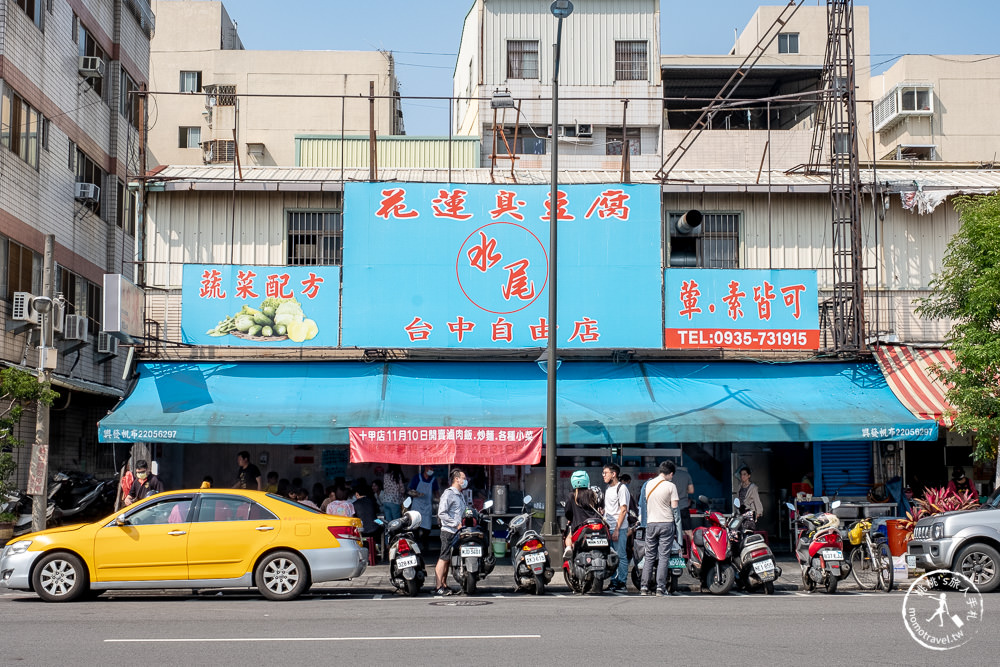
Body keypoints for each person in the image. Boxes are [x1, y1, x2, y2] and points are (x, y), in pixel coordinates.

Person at [642, 460, 679, 596]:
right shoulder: (671, 486)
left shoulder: (648, 484)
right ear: (670, 473)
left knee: (649, 556)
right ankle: (660, 588)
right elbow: (675, 508)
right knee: (664, 556)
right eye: (672, 475)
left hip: (651, 524)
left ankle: (644, 587)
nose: (672, 477)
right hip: (666, 523)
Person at [434, 468, 468, 596]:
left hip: (457, 531)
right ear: (456, 479)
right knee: (443, 558)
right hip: (449, 531)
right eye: (463, 478)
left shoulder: (460, 495)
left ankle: (444, 584)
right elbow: (441, 513)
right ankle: (438, 587)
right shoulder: (448, 494)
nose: (465, 481)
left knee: (448, 559)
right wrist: (455, 523)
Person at [602, 463, 630, 592]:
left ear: (614, 474)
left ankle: (621, 583)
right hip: (609, 527)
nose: (603, 475)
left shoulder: (622, 488)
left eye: (606, 473)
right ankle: (614, 581)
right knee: (612, 556)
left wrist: (617, 529)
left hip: (619, 528)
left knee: (621, 556)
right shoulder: (608, 489)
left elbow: (623, 510)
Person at [563, 471, 602, 554]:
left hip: (579, 526)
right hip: (594, 524)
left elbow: (568, 512)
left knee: (568, 537)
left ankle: (569, 548)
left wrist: (571, 519)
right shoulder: (593, 494)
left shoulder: (571, 496)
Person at [409, 466, 440, 553]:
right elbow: (410, 490)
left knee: (427, 529)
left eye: (432, 469)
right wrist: (416, 494)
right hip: (417, 506)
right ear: (426, 468)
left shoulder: (433, 480)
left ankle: (424, 544)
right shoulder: (417, 478)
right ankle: (416, 545)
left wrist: (440, 500)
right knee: (415, 527)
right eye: (430, 468)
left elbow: (436, 493)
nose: (431, 470)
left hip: (427, 506)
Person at [670, 465, 695, 555]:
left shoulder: (670, 476)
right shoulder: (686, 475)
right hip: (684, 506)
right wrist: (684, 491)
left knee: (671, 531)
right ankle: (694, 551)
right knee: (688, 531)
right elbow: (691, 490)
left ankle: (673, 552)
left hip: (671, 507)